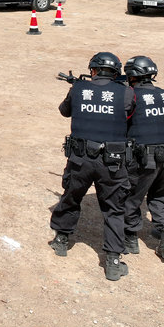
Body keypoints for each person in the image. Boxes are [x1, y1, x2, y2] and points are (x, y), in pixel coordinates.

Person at [49, 52, 135, 281]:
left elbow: (64, 111)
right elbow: (129, 115)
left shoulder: (79, 89)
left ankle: (61, 240)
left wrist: (77, 90)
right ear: (116, 73)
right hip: (113, 161)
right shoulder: (126, 92)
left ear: (93, 70)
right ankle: (113, 261)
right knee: (114, 209)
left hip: (80, 158)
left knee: (71, 196)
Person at [123, 56, 164, 261]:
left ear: (131, 76)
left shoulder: (131, 95)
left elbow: (121, 119)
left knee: (131, 197)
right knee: (161, 198)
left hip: (144, 157)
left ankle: (131, 238)